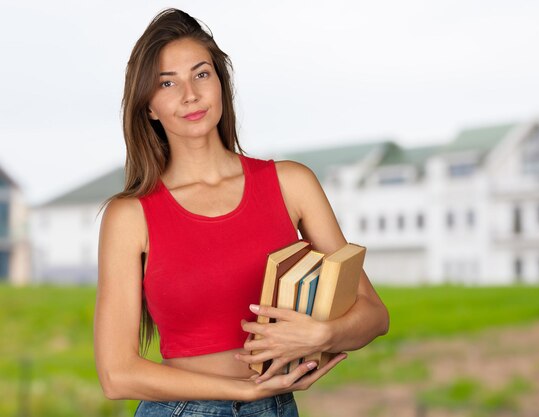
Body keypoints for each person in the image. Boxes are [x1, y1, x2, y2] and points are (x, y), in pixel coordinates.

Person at [94, 8, 389, 417]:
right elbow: (116, 374)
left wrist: (322, 334)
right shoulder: (130, 216)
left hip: (276, 407)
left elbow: (373, 314)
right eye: (167, 83)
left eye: (201, 74)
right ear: (149, 107)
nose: (190, 95)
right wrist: (246, 393)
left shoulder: (291, 183)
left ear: (221, 84)